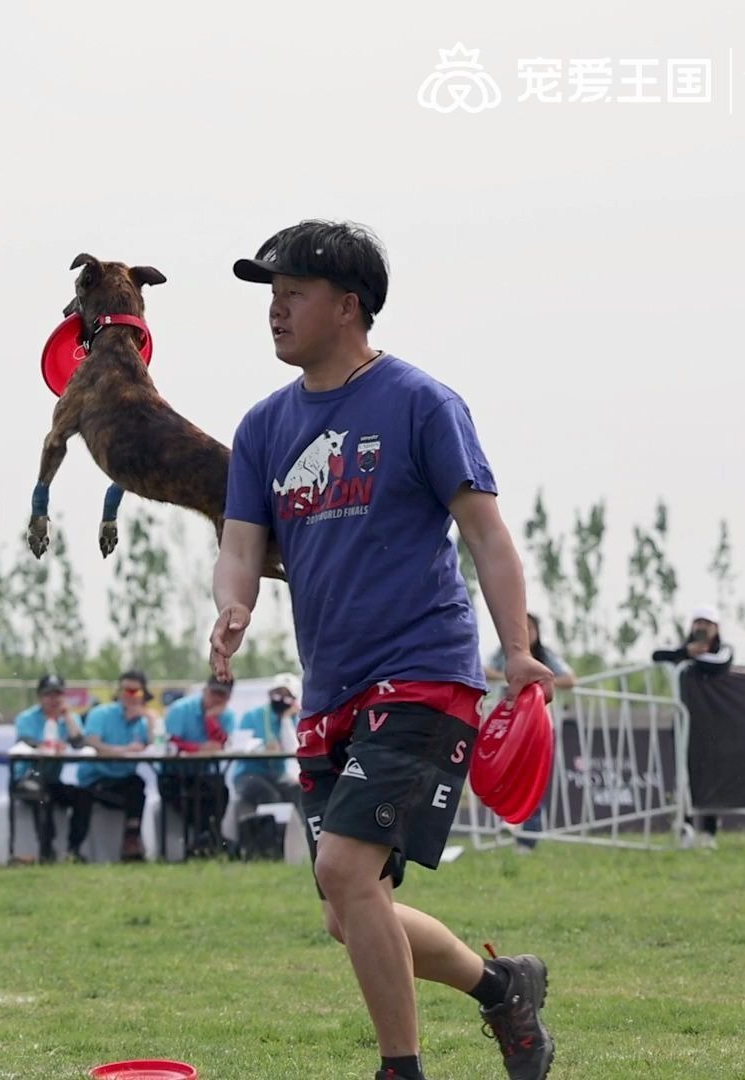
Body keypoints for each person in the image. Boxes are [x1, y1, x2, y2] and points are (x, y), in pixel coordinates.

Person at [211, 220, 555, 1080]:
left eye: (294, 291)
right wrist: (233, 605)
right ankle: (500, 989)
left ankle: (400, 1071)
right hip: (332, 688)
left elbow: (488, 535)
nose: (276, 308)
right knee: (347, 904)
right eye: (271, 293)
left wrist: (515, 649)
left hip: (424, 674)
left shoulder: (419, 402)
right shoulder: (263, 428)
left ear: (349, 306)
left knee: (343, 869)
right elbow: (241, 544)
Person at [484, 614, 575, 853]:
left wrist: (538, 680)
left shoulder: (547, 657)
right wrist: (512, 673)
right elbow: (484, 670)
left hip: (539, 730)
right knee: (505, 779)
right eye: (521, 626)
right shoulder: (501, 654)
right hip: (509, 729)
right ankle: (507, 825)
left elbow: (569, 678)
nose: (526, 631)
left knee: (534, 784)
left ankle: (527, 838)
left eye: (531, 627)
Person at [652, 606, 733, 849]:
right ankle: (685, 828)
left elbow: (720, 663)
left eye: (707, 624)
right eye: (697, 622)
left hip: (714, 724)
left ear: (716, 629)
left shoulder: (724, 650)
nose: (701, 628)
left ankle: (709, 831)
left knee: (712, 777)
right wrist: (685, 652)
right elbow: (657, 656)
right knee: (683, 777)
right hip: (683, 724)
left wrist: (690, 657)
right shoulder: (682, 651)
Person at [10, 673, 92, 863]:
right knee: (41, 796)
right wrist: (44, 746)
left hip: (53, 780)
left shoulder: (69, 719)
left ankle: (74, 849)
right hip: (28, 778)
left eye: (58, 695)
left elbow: (79, 743)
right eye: (49, 695)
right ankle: (46, 850)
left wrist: (68, 718)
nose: (54, 700)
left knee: (83, 796)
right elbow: (25, 740)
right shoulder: (27, 718)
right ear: (40, 697)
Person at [76, 670, 154, 863]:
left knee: (138, 785)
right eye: (126, 691)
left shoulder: (142, 721)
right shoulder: (101, 713)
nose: (130, 696)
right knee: (131, 788)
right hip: (96, 777)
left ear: (143, 694)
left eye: (135, 692)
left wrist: (151, 720)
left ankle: (131, 841)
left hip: (124, 780)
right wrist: (123, 750)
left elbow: (155, 746)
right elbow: (92, 742)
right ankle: (75, 850)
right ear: (118, 692)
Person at [159, 674, 235, 858]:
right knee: (191, 800)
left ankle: (205, 840)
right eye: (214, 693)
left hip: (205, 775)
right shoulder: (180, 709)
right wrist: (198, 748)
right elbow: (171, 742)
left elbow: (223, 743)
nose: (217, 699)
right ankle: (204, 840)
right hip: (174, 775)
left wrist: (210, 719)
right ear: (205, 690)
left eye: (222, 696)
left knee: (221, 792)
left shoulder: (226, 715)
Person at [231, 672, 304, 856]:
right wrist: (262, 747)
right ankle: (269, 848)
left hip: (276, 774)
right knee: (269, 794)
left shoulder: (293, 719)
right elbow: (240, 744)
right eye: (277, 693)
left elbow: (292, 748)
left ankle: (299, 842)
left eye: (286, 695)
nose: (281, 699)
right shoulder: (253, 715)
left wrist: (287, 720)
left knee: (297, 790)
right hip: (248, 774)